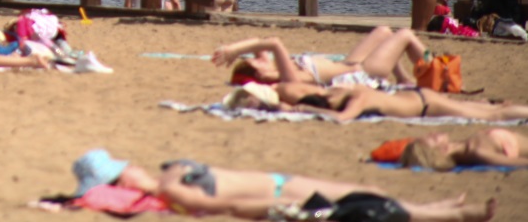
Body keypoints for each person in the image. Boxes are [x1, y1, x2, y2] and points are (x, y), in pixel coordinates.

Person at [71, 148, 495, 221]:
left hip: (277, 184)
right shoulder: (169, 188)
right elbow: (217, 205)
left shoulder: (167, 177)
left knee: (368, 194)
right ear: (121, 178)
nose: (133, 168)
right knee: (360, 200)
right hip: (276, 192)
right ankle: (455, 213)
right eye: (124, 169)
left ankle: (445, 207)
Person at [213, 27, 426, 88]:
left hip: (348, 64)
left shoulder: (277, 69)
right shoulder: (289, 78)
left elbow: (263, 40)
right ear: (260, 72)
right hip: (362, 73)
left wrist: (237, 50)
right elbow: (273, 42)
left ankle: (403, 78)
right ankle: (440, 70)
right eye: (255, 60)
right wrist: (234, 50)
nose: (260, 57)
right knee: (405, 35)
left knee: (383, 32)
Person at [297, 85, 528, 123]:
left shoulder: (358, 100)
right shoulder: (349, 90)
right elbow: (322, 91)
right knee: (487, 109)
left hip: (425, 106)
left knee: (493, 116)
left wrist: (307, 109)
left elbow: (342, 118)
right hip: (418, 95)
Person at [401, 130, 528, 170]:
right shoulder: (478, 152)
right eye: (433, 138)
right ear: (441, 152)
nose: (432, 132)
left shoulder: (467, 144)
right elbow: (518, 162)